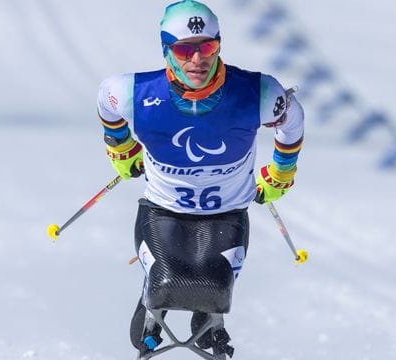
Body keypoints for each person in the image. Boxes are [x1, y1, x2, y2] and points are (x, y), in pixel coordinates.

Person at [96, 0, 304, 357]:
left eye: (206, 47)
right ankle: (152, 307)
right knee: (165, 284)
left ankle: (207, 321)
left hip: (227, 214)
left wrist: (281, 173)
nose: (197, 60)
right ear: (167, 51)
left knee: (215, 292)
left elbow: (292, 119)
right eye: (185, 49)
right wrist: (121, 149)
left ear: (219, 45)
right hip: (162, 211)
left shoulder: (258, 93)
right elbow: (106, 102)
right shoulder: (135, 93)